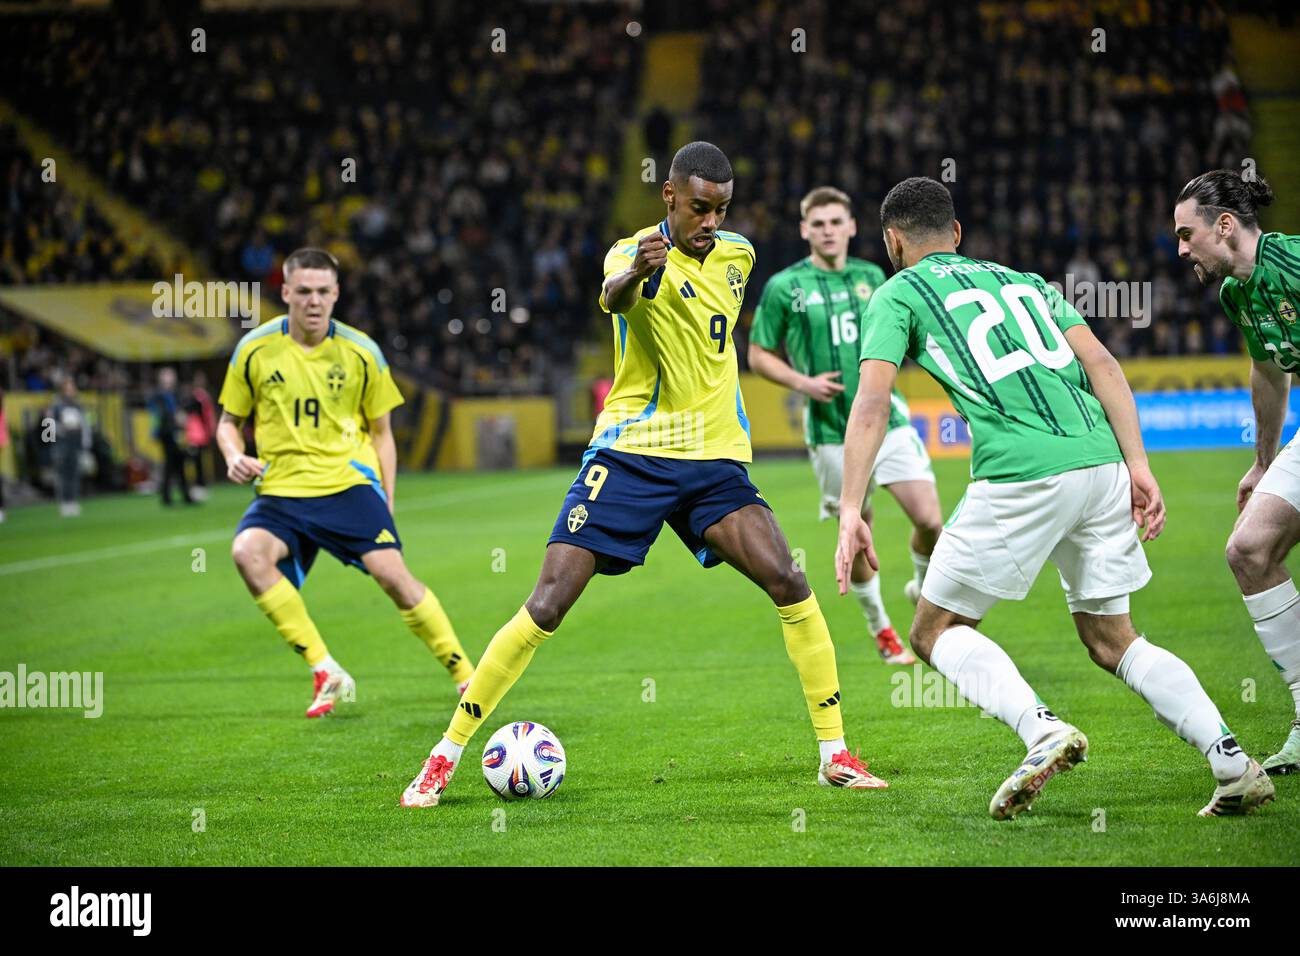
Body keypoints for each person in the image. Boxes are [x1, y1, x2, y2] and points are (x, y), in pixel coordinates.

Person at [400, 142, 886, 809]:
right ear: (669, 196)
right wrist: (635, 274)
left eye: (721, 208)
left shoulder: (740, 256)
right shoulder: (632, 254)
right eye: (698, 207)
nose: (710, 220)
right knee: (547, 602)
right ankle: (443, 757)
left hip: (713, 459)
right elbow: (613, 295)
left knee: (789, 580)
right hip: (633, 453)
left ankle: (834, 753)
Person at [837, 176, 1274, 818]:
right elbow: (1104, 366)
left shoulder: (898, 291)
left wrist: (851, 506)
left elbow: (873, 401)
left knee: (935, 629)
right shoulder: (1028, 282)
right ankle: (1232, 762)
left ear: (893, 242)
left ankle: (1041, 730)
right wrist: (1138, 466)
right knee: (1112, 638)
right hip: (1101, 462)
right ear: (956, 234)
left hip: (1022, 469)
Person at [217, 247, 475, 718]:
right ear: (286, 292)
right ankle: (324, 668)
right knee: (247, 553)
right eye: (304, 292)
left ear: (335, 294)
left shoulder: (361, 352)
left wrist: (387, 498)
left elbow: (383, 434)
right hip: (281, 490)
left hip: (347, 486)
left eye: (322, 292)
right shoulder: (253, 350)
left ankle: (466, 676)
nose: (313, 301)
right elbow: (227, 421)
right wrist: (234, 454)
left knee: (393, 577)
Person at [749, 186, 943, 665]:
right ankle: (883, 629)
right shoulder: (785, 287)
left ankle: (921, 587)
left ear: (853, 227)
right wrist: (804, 382)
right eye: (818, 224)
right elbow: (757, 354)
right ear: (804, 230)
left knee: (930, 520)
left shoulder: (874, 275)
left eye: (837, 222)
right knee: (858, 530)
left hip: (888, 417)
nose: (828, 231)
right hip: (832, 430)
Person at [1174, 168, 1300, 775]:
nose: (1180, 249)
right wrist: (1263, 459)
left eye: (1185, 233)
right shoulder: (1237, 293)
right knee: (1249, 549)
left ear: (1224, 226)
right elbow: (1271, 371)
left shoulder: (1296, 262)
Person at [150, 367, 193, 506]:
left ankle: (181, 495)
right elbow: (158, 415)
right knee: (171, 465)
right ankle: (168, 496)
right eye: (167, 376)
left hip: (176, 432)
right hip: (167, 433)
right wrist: (175, 419)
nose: (170, 379)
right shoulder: (159, 396)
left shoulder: (175, 394)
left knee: (178, 464)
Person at [49, 377, 89, 518]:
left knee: (74, 474)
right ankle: (64, 502)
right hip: (61, 445)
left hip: (74, 444)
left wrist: (85, 444)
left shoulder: (77, 406)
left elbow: (85, 427)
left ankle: (72, 501)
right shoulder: (55, 406)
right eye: (68, 389)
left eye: (72, 388)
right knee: (62, 475)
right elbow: (48, 428)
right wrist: (61, 431)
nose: (71, 391)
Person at [184, 369, 217, 501]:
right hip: (195, 435)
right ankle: (197, 487)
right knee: (196, 462)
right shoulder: (195, 397)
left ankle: (200, 486)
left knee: (200, 462)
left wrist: (210, 429)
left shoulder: (204, 396)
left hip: (202, 434)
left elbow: (208, 415)